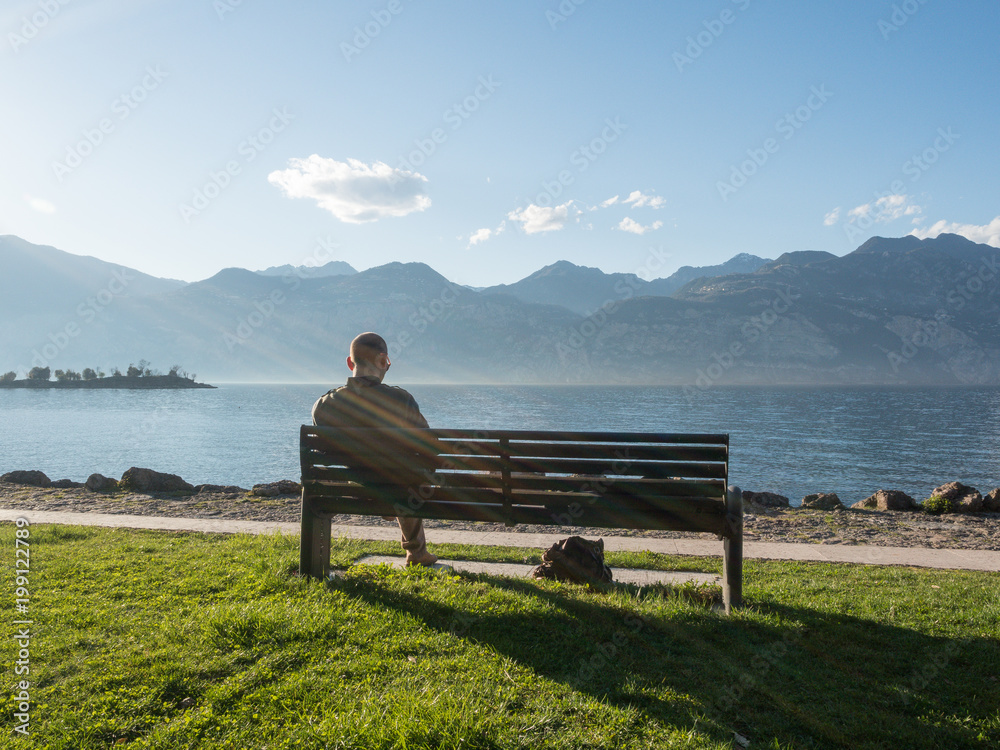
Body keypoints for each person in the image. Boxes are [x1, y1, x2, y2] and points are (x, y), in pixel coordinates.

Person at [311, 332, 438, 566]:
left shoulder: (325, 405)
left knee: (398, 475)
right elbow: (429, 446)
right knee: (410, 476)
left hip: (356, 489)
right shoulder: (402, 400)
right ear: (383, 361)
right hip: (399, 490)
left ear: (350, 363)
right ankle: (416, 552)